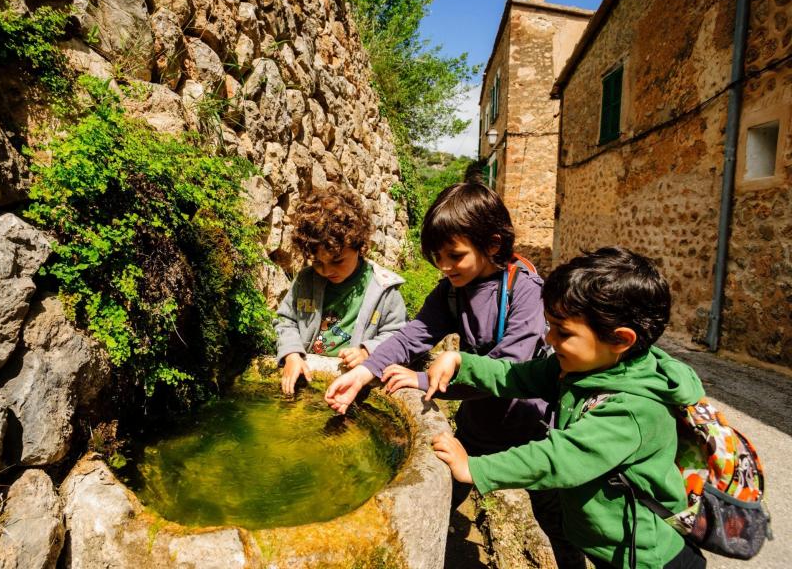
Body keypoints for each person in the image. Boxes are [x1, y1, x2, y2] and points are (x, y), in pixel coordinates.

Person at [325, 181, 586, 568]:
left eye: (455, 255)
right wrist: (366, 370)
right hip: (479, 426)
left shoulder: (525, 290)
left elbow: (510, 369)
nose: (444, 266)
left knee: (558, 523)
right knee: (440, 496)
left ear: (493, 244)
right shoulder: (451, 289)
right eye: (437, 256)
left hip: (531, 428)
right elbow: (416, 333)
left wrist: (424, 381)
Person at [429, 247, 707, 569]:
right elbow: (516, 375)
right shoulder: (583, 367)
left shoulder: (632, 409)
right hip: (607, 545)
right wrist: (462, 362)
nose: (550, 338)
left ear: (620, 340)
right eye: (550, 326)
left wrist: (475, 468)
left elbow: (558, 458)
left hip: (644, 558)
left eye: (563, 332)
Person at [274, 186, 407, 395]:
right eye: (317, 262)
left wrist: (367, 352)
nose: (326, 271)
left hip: (356, 385)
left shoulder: (384, 289)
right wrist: (291, 354)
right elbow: (286, 320)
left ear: (359, 245)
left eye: (337, 260)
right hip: (308, 378)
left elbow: (398, 335)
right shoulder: (306, 280)